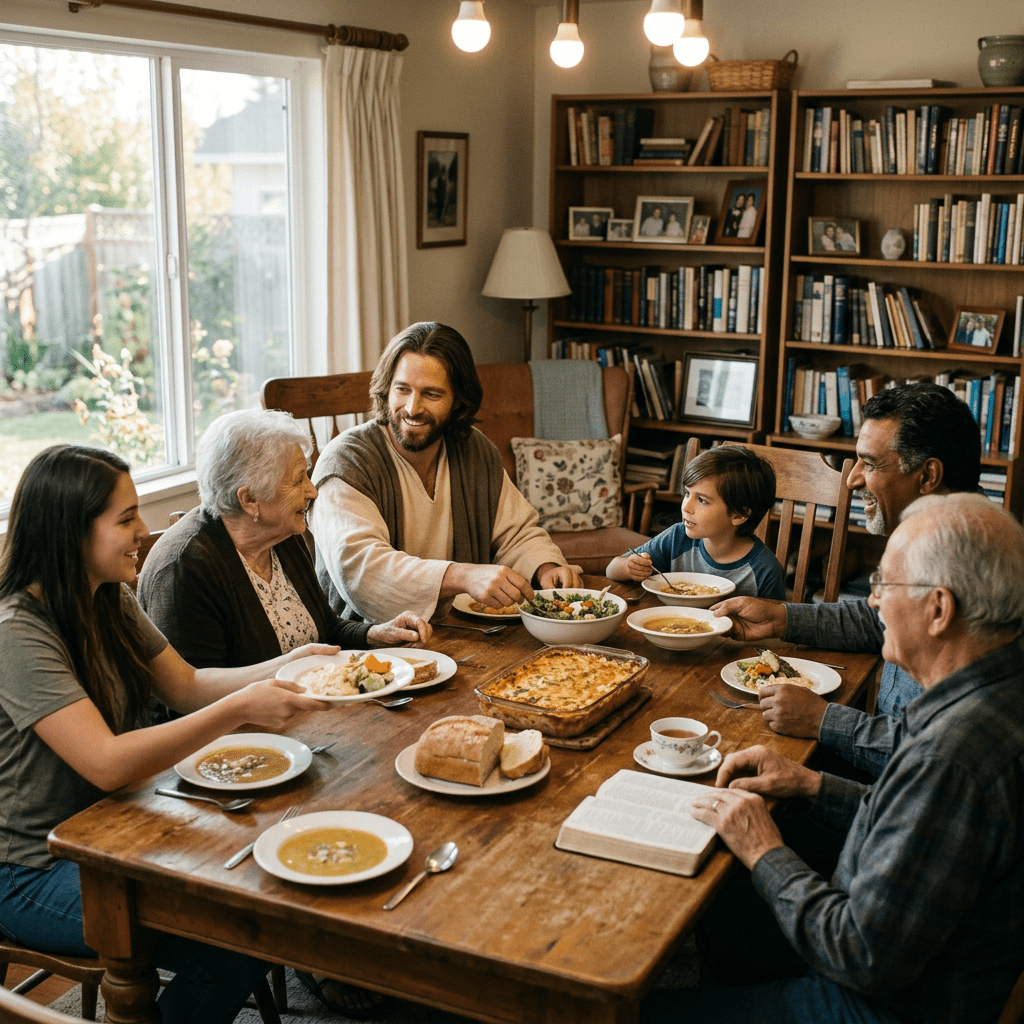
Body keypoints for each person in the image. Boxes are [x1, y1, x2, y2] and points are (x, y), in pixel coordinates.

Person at [642, 494, 1024, 1024]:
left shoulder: (953, 757)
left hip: (877, 1001)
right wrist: (812, 785)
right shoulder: (993, 693)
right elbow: (923, 822)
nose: (872, 603)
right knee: (721, 897)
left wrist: (764, 848)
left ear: (939, 609)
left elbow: (859, 955)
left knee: (629, 1011)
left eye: (885, 586)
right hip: (913, 954)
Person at [0, 445, 332, 1024]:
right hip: (30, 867)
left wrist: (287, 665)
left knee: (259, 913)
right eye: (125, 518)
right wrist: (239, 710)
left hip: (115, 829)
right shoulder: (15, 632)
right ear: (69, 532)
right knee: (238, 935)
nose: (143, 530)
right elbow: (107, 762)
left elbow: (188, 685)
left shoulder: (107, 595)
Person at [713, 382, 982, 777]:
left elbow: (932, 766)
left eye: (869, 464)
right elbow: (879, 620)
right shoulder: (938, 541)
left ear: (928, 476)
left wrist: (825, 722)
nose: (852, 480)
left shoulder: (969, 583)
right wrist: (782, 618)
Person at [308, 322, 582, 623]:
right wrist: (462, 576)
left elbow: (514, 532)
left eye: (432, 394)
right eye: (402, 389)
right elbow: (362, 570)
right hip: (368, 651)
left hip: (465, 634)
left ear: (457, 401)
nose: (412, 408)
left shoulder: (473, 450)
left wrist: (544, 566)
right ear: (387, 389)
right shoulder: (347, 461)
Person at [138, 408, 431, 671]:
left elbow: (324, 630)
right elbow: (194, 701)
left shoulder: (279, 534)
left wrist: (375, 634)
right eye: (297, 480)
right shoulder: (183, 570)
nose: (313, 491)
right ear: (250, 499)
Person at [606, 446, 785, 600]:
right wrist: (629, 567)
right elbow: (611, 569)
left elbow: (774, 630)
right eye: (686, 493)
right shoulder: (677, 538)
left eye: (702, 500)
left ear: (739, 515)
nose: (686, 507)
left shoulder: (765, 570)